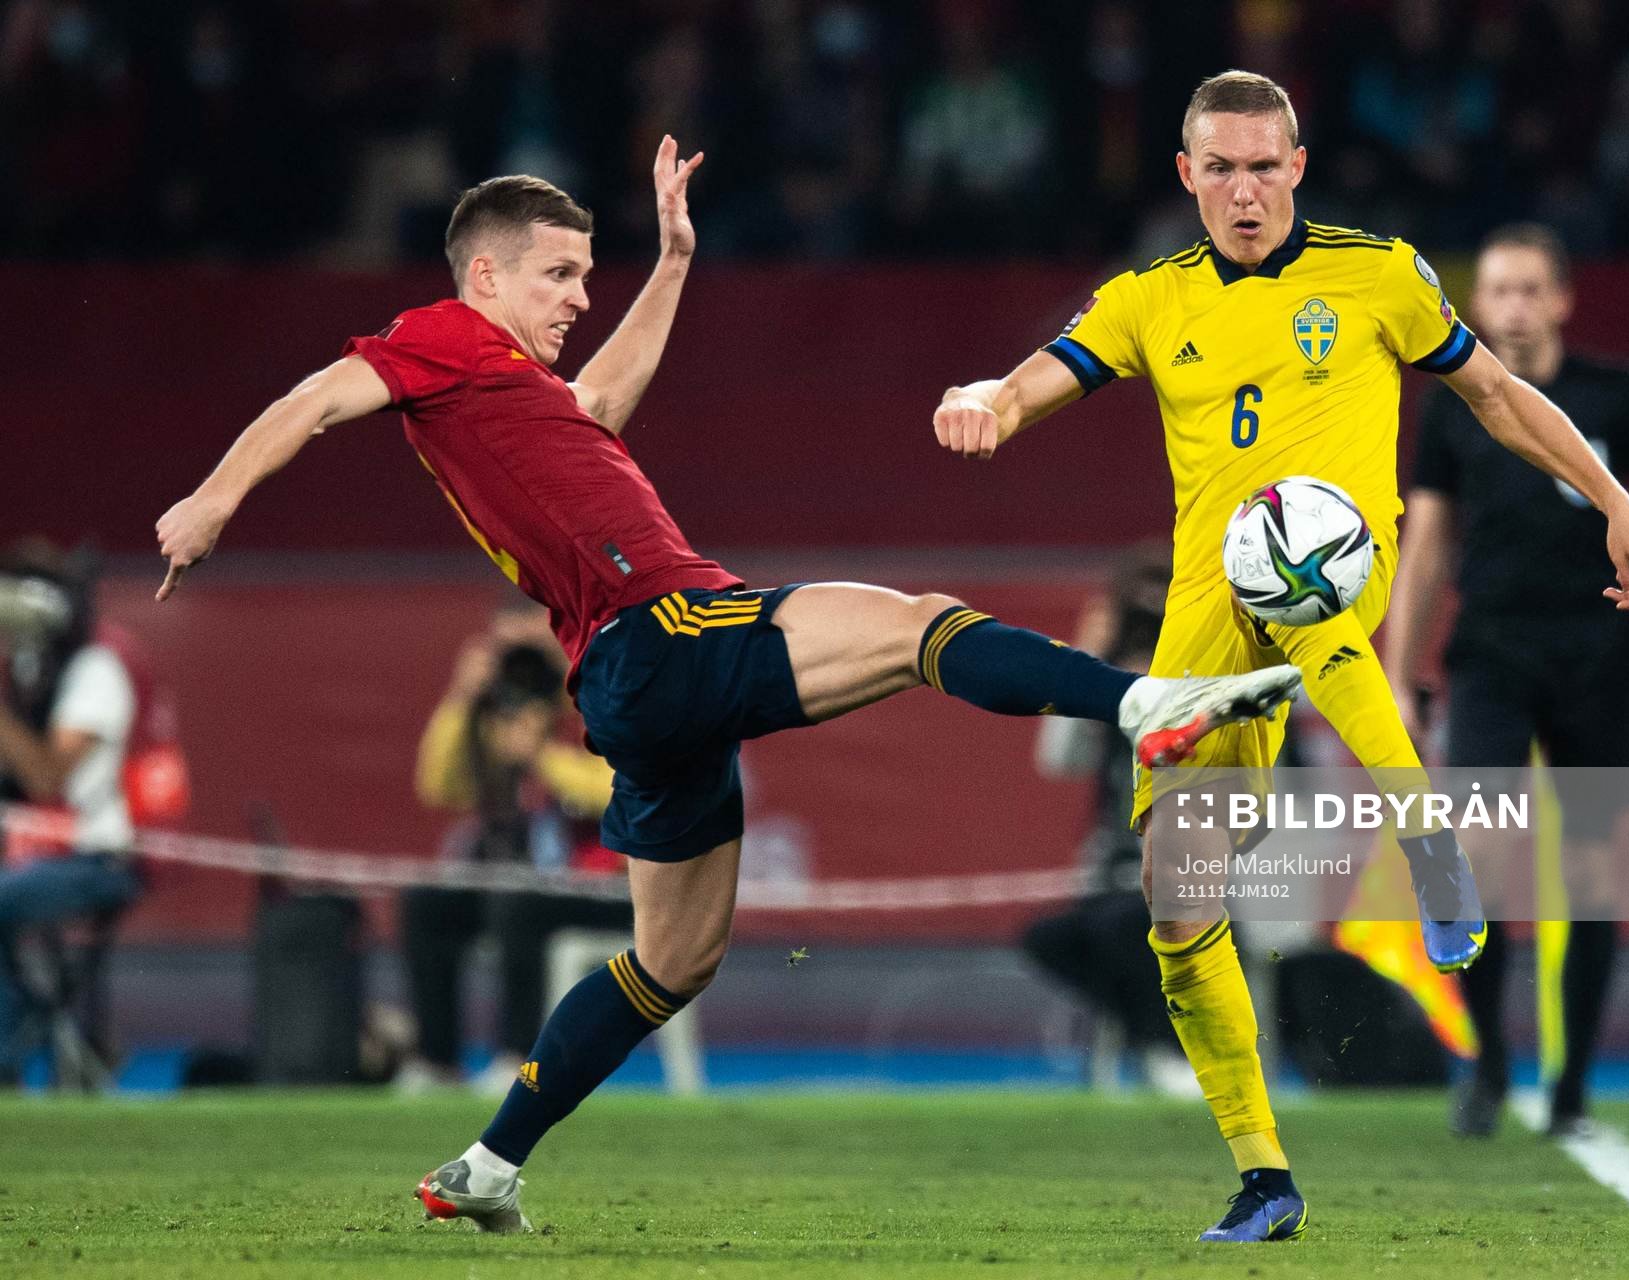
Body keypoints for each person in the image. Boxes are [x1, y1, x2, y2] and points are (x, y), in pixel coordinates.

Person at [153, 135, 1305, 1234]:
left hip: (629, 680)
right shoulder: (438, 336)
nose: (575, 297)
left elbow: (600, 407)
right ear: (486, 271)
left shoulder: (512, 389)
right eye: (557, 274)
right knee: (919, 627)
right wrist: (212, 498)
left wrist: (674, 263)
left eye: (586, 276)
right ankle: (1140, 701)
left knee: (671, 959)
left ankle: (488, 1162)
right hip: (667, 625)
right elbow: (315, 397)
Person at [931, 70, 1629, 1242]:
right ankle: (1265, 1173)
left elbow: (1496, 394)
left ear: (1298, 168)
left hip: (1341, 544)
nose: (1243, 189)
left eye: (1264, 166)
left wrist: (1612, 494)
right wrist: (986, 399)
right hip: (1205, 613)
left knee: (1293, 554)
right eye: (1218, 168)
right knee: (1178, 901)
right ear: (1185, 176)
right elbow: (1034, 381)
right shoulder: (1146, 299)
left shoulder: (1379, 273)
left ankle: (1429, 844)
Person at [1382, 222, 1629, 1139]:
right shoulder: (1454, 405)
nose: (1514, 309)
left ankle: (1572, 1087)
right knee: (1483, 861)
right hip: (1489, 655)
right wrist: (1397, 674)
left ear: (1563, 299)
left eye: (1531, 291)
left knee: (1591, 871)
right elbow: (1426, 548)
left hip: (1598, 656)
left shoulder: (1619, 397)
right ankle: (1487, 1061)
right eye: (1498, 292)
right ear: (1476, 303)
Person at [396, 631, 629, 1093]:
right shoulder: (494, 741)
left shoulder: (596, 721)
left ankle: (519, 1057)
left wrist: (541, 755)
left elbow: (610, 792)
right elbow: (438, 787)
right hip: (524, 893)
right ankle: (437, 1060)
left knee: (517, 905)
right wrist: (462, 700)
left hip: (606, 891)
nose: (523, 704)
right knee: (426, 903)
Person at [1020, 546, 1196, 1096]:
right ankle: (1154, 1040)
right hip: (1116, 875)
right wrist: (1087, 661)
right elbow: (1058, 759)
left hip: (1204, 876)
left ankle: (1169, 1050)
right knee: (1052, 938)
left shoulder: (1214, 690)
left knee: (1126, 928)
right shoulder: (1112, 700)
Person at [0, 543, 146, 1084]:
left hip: (99, 857)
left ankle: (10, 1048)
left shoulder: (95, 668)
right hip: (43, 854)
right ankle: (48, 1032)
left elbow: (45, 777)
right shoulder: (32, 668)